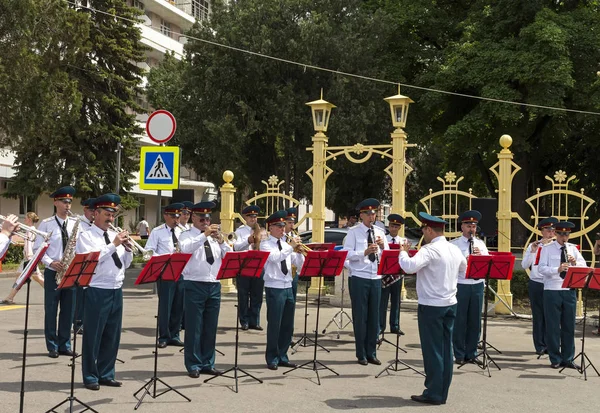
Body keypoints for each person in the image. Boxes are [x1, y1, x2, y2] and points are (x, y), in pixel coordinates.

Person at [399, 212, 466, 406]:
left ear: (429, 230)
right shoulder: (453, 249)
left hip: (431, 305)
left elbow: (409, 267)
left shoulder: (429, 250)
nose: (423, 233)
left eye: (423, 230)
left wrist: (403, 251)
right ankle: (442, 390)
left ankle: (434, 392)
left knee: (433, 350)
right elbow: (464, 267)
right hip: (450, 303)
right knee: (446, 349)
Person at [75, 193, 132, 390]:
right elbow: (93, 259)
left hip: (116, 289)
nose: (110, 219)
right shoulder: (86, 236)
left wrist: (129, 249)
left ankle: (106, 373)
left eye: (113, 215)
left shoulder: (113, 236)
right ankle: (90, 376)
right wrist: (114, 244)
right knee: (93, 335)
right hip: (97, 289)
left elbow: (124, 264)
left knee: (112, 335)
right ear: (96, 213)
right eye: (107, 214)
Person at [179, 201, 231, 378]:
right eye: (202, 218)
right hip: (195, 283)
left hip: (214, 284)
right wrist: (204, 235)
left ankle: (208, 362)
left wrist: (222, 241)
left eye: (208, 218)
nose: (205, 221)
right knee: (194, 327)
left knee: (210, 327)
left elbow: (229, 256)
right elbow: (186, 249)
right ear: (193, 217)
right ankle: (193, 364)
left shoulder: (214, 237)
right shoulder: (187, 235)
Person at [342, 198, 389, 366]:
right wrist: (364, 252)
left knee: (374, 317)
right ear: (361, 215)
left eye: (374, 213)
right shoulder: (354, 232)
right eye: (368, 214)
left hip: (375, 277)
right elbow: (346, 254)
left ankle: (372, 352)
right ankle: (361, 353)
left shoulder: (380, 232)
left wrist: (383, 247)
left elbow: (388, 257)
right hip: (360, 278)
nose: (372, 216)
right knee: (361, 316)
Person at [34, 186, 79, 358]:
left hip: (70, 271)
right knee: (51, 310)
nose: (68, 205)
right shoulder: (46, 224)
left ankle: (65, 344)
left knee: (68, 310)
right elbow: (38, 248)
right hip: (53, 272)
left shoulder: (76, 224)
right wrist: (51, 262)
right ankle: (52, 346)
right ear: (56, 202)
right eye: (64, 201)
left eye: (69, 202)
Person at [538, 221, 586, 369]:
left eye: (567, 234)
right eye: (561, 234)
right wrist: (557, 269)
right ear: (556, 234)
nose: (564, 237)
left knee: (568, 326)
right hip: (552, 290)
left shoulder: (573, 249)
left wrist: (574, 264)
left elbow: (584, 267)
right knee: (553, 326)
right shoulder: (547, 248)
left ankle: (568, 358)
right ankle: (555, 358)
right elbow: (541, 269)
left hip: (569, 290)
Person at [261, 210, 304, 370]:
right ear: (270, 227)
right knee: (275, 324)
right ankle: (272, 357)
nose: (282, 228)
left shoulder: (286, 244)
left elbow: (299, 265)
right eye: (278, 226)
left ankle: (283, 355)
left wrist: (299, 253)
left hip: (287, 286)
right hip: (275, 287)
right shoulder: (266, 244)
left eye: (283, 225)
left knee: (287, 325)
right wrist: (291, 248)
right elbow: (274, 258)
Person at [449, 210, 489, 365]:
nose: (471, 228)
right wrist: (465, 261)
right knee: (460, 320)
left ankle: (471, 353)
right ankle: (458, 353)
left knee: (475, 321)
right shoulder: (454, 245)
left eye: (474, 226)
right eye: (468, 225)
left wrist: (480, 258)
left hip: (477, 285)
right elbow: (452, 266)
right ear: (462, 226)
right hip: (462, 284)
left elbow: (487, 265)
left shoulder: (481, 244)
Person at [145, 203, 186, 348]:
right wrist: (165, 258)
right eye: (173, 216)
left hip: (181, 272)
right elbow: (148, 251)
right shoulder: (157, 232)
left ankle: (174, 335)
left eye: (178, 216)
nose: (176, 219)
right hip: (165, 272)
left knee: (178, 305)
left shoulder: (183, 231)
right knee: (166, 306)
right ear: (166, 216)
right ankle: (163, 336)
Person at [521, 217, 558, 355]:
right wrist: (532, 251)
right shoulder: (534, 245)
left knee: (552, 316)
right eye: (548, 230)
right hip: (537, 282)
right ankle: (540, 345)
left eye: (553, 230)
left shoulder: (557, 246)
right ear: (542, 231)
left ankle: (551, 344)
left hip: (552, 283)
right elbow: (525, 265)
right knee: (538, 316)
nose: (551, 232)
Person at [233, 205, 264, 331]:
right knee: (244, 295)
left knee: (257, 295)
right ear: (245, 217)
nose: (253, 219)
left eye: (255, 216)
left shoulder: (261, 230)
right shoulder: (239, 232)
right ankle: (244, 320)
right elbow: (236, 247)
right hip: (244, 266)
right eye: (251, 216)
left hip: (259, 265)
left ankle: (254, 320)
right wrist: (248, 240)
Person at [2, 212, 44, 305]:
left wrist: (29, 257)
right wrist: (20, 244)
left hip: (29, 258)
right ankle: (10, 298)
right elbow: (29, 243)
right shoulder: (32, 230)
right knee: (19, 277)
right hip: (27, 258)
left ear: (29, 219)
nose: (24, 219)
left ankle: (53, 293)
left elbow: (29, 245)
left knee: (38, 277)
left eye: (25, 218)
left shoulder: (30, 230)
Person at [379, 213, 405, 336]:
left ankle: (395, 325)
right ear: (388, 226)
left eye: (396, 226)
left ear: (399, 228)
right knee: (383, 301)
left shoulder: (403, 241)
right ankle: (380, 326)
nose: (394, 229)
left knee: (396, 301)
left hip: (397, 275)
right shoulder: (383, 239)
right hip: (385, 274)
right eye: (392, 226)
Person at [74, 198, 95, 333]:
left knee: (89, 296)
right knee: (80, 297)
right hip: (80, 263)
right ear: (85, 210)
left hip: (92, 264)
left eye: (95, 211)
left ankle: (86, 321)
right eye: (91, 210)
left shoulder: (94, 225)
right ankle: (77, 323)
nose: (94, 213)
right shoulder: (79, 224)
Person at [284, 207, 299, 301]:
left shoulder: (295, 235)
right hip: (283, 269)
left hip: (293, 270)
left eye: (293, 223)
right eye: (289, 223)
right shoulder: (280, 237)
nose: (292, 225)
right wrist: (291, 246)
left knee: (292, 300)